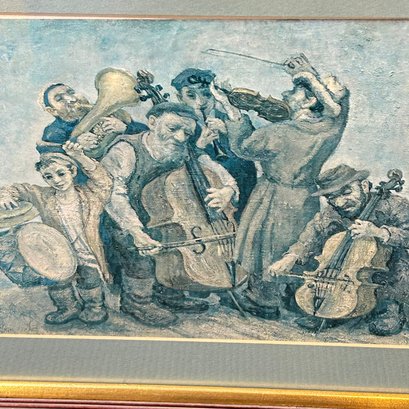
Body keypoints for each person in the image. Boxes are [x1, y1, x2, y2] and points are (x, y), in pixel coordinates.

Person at [217, 54, 350, 319]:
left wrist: (230, 109)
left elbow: (243, 147)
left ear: (310, 100)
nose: (284, 94)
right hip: (305, 197)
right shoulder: (328, 130)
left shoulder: (279, 132)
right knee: (297, 243)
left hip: (272, 196)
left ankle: (263, 300)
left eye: (294, 90)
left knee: (266, 246)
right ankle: (293, 297)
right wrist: (308, 75)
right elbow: (337, 110)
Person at [101, 102, 241, 327]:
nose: (180, 137)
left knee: (175, 247)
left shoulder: (184, 149)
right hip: (126, 216)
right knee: (138, 255)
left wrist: (227, 191)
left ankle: (170, 293)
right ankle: (137, 301)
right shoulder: (125, 150)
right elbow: (112, 195)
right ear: (152, 122)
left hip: (168, 217)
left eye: (187, 133)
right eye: (173, 128)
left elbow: (221, 173)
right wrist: (136, 231)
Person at [268, 164, 409, 336]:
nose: (339, 202)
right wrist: (291, 257)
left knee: (397, 259)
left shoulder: (396, 205)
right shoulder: (333, 212)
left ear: (364, 186)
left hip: (387, 271)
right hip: (347, 271)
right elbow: (312, 234)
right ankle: (332, 308)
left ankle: (389, 309)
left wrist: (379, 232)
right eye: (331, 197)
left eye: (346, 192)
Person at [0, 142, 113, 325]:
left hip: (87, 250)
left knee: (89, 278)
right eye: (49, 177)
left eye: (61, 174)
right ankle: (68, 308)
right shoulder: (43, 196)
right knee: (58, 281)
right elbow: (18, 189)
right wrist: (5, 195)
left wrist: (80, 156)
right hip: (58, 251)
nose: (57, 180)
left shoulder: (91, 195)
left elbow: (104, 181)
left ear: (72, 172)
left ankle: (95, 308)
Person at [171, 68, 257, 220]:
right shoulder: (179, 127)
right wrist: (199, 146)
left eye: (206, 94)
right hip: (209, 193)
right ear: (180, 98)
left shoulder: (233, 119)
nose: (201, 102)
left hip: (246, 188)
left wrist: (228, 131)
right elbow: (175, 163)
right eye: (191, 95)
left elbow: (254, 150)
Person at [36, 82, 148, 156]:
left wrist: (126, 128)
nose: (72, 99)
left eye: (71, 92)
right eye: (59, 99)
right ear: (52, 111)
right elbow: (50, 154)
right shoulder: (53, 132)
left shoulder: (102, 112)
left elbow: (146, 132)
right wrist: (76, 143)